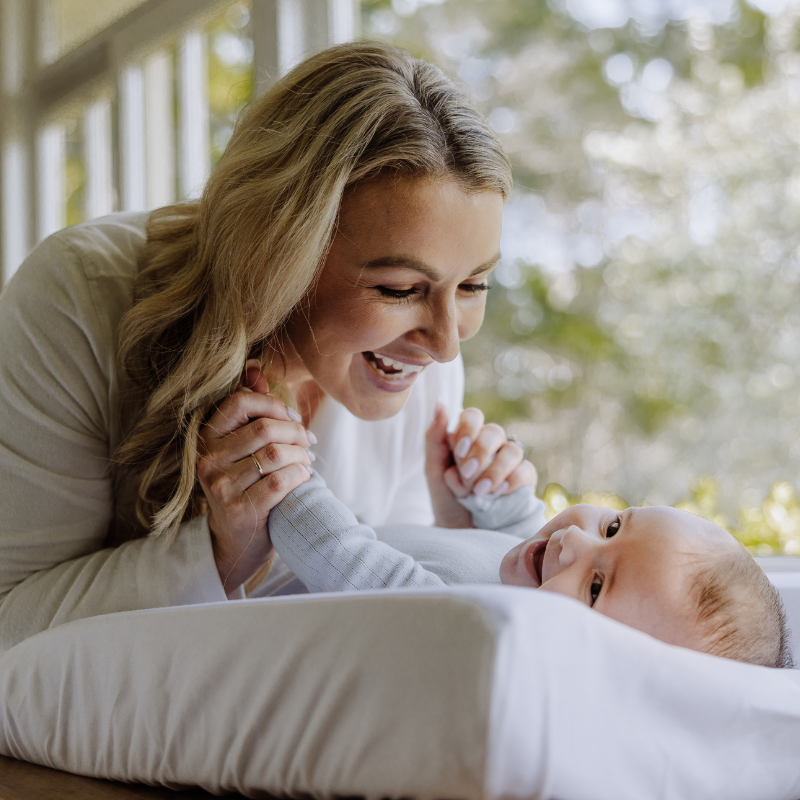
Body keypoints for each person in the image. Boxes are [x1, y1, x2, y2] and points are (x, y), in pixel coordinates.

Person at [0, 42, 539, 654]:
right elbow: (6, 619)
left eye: (474, 284)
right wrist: (221, 553)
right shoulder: (78, 298)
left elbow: (388, 625)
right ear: (278, 254)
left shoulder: (416, 365)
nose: (445, 345)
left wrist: (458, 534)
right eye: (397, 289)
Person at [266, 411, 794, 669]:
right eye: (613, 525)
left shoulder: (469, 628)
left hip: (248, 572)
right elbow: (515, 537)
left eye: (595, 588)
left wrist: (284, 474)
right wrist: (489, 490)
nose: (573, 541)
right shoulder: (532, 571)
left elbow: (344, 559)